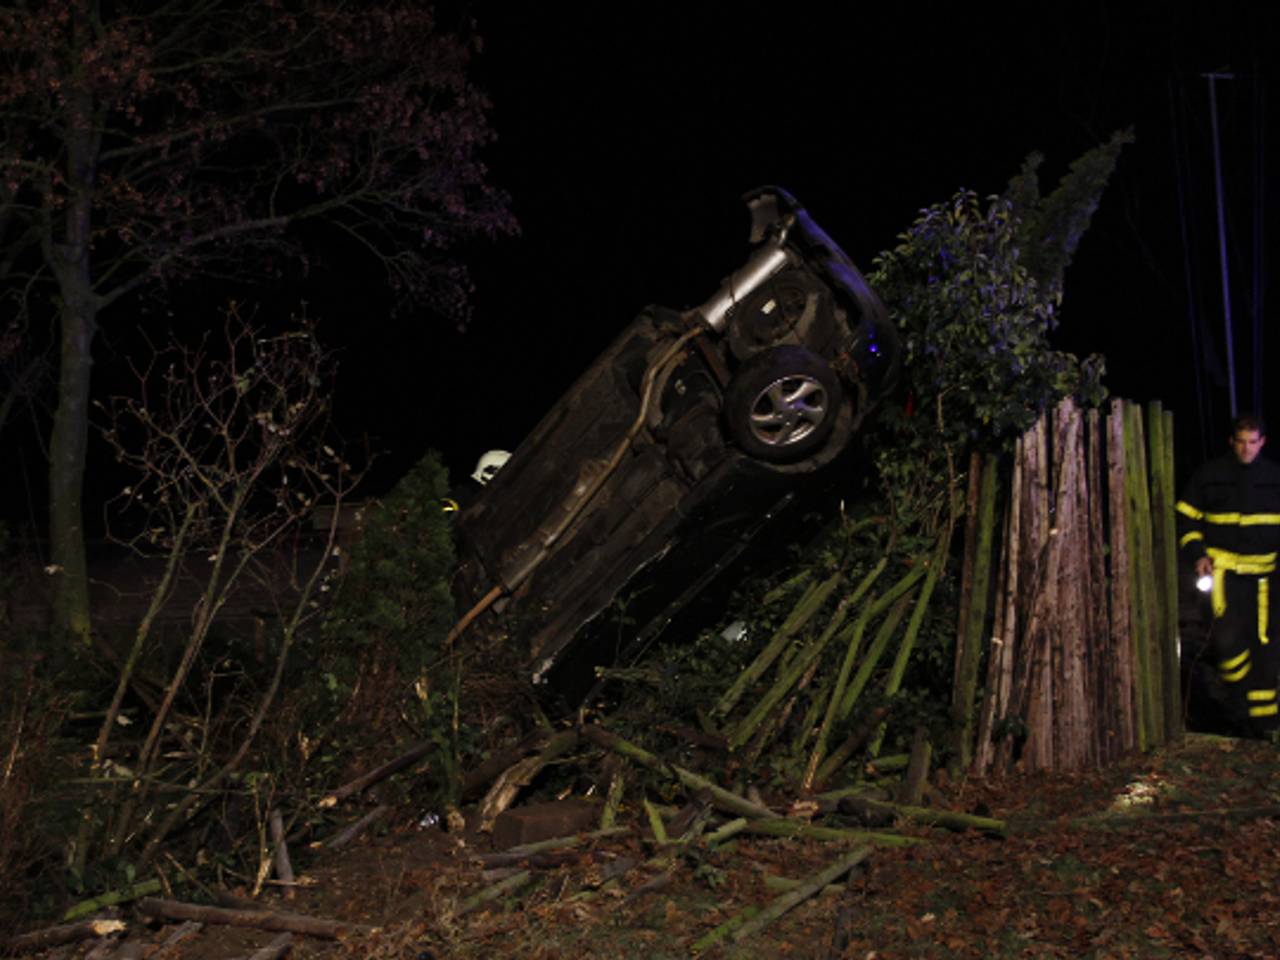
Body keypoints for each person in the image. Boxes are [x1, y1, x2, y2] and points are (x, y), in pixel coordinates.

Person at [1177, 413, 1280, 737]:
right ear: (1231, 442)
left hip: (1265, 581)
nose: (1247, 448)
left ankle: (1264, 728)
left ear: (1262, 442)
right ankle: (1239, 708)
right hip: (1224, 577)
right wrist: (1198, 554)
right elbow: (1186, 519)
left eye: (1253, 442)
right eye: (1241, 442)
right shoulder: (1210, 476)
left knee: (1265, 650)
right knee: (1226, 642)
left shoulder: (1274, 477)